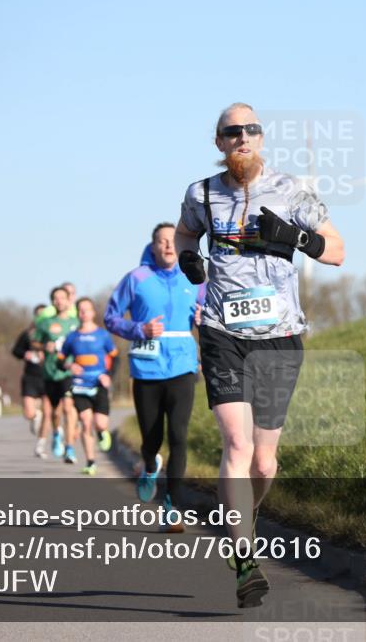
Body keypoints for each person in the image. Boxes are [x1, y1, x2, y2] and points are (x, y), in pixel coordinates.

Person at [175, 103, 345, 607]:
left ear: (261, 138)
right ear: (219, 142)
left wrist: (296, 237)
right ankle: (244, 558)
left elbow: (336, 250)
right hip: (222, 331)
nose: (242, 137)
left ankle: (244, 515)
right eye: (232, 132)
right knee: (236, 443)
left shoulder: (292, 190)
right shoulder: (201, 193)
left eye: (251, 129)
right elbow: (186, 231)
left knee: (265, 464)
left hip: (280, 334)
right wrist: (189, 256)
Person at [105, 223, 204, 532]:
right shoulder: (136, 279)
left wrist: (205, 317)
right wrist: (139, 330)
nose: (168, 246)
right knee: (151, 439)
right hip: (147, 368)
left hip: (183, 366)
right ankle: (149, 463)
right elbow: (110, 317)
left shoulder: (195, 279)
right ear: (153, 246)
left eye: (173, 240)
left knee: (178, 436)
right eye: (162, 241)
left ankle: (171, 508)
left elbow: (212, 311)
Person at [61, 297, 118, 476]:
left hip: (98, 384)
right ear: (77, 313)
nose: (83, 313)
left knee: (99, 424)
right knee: (86, 423)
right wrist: (70, 366)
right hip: (79, 386)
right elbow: (60, 361)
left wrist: (108, 376)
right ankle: (91, 462)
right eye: (80, 310)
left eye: (87, 309)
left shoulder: (103, 335)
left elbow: (116, 357)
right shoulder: (72, 337)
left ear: (93, 312)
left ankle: (103, 432)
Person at [31, 286, 79, 462]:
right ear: (52, 301)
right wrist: (44, 347)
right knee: (54, 413)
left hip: (69, 371)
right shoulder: (45, 323)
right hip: (50, 373)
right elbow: (34, 342)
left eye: (62, 298)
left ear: (68, 300)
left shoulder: (76, 322)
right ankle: (57, 433)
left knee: (68, 407)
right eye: (56, 298)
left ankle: (70, 448)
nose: (59, 301)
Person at [11, 303, 47, 436]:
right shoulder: (27, 334)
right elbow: (15, 351)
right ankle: (36, 416)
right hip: (31, 376)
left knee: (51, 411)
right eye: (39, 315)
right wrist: (24, 354)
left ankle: (44, 439)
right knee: (28, 413)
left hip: (48, 376)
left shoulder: (53, 333)